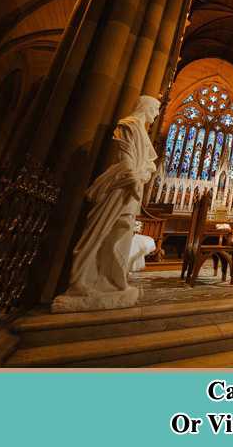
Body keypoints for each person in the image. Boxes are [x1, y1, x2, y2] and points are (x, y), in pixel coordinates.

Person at [52, 95, 160, 312]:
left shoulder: (142, 130)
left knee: (121, 233)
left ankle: (113, 279)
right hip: (121, 185)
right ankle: (81, 279)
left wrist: (143, 175)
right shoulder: (128, 125)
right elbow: (126, 157)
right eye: (156, 108)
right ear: (145, 107)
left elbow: (148, 162)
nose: (157, 114)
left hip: (133, 188)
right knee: (100, 231)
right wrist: (133, 178)